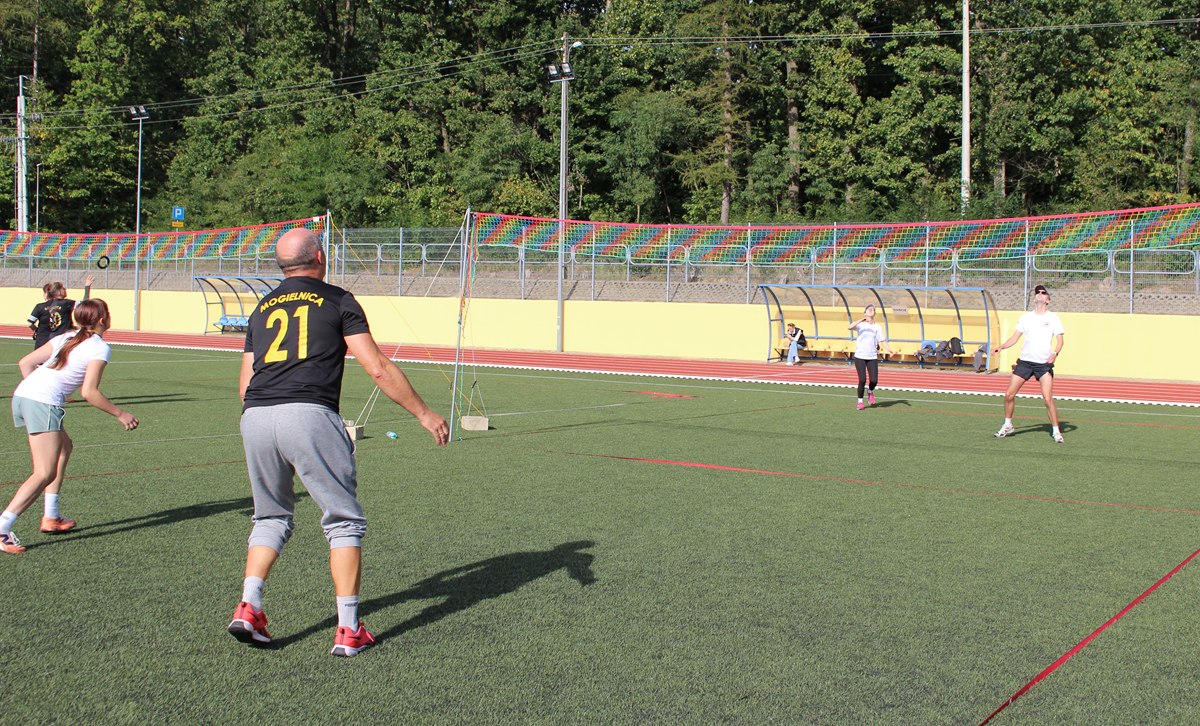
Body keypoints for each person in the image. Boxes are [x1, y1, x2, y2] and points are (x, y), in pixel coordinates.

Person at [227, 228, 450, 657]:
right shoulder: (338, 299)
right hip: (309, 413)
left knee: (270, 516)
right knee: (343, 520)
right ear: (320, 257)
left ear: (282, 265)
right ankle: (348, 629)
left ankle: (249, 605)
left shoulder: (261, 307)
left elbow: (245, 383)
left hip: (255, 415)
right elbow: (377, 367)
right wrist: (424, 413)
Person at [1, 299, 139, 555]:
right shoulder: (99, 347)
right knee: (43, 472)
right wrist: (121, 414)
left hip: (23, 396)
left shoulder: (66, 337)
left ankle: (51, 516)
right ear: (103, 320)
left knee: (65, 448)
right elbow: (89, 392)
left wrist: (37, 390)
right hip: (41, 403)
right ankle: (3, 526)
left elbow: (25, 363)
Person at [992, 284, 1065, 443]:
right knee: (1009, 394)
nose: (1040, 294)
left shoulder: (1053, 318)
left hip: (1043, 365)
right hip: (1025, 362)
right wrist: (1001, 347)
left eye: (1043, 293)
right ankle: (1008, 425)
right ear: (1034, 298)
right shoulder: (1026, 317)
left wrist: (1055, 354)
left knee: (1047, 399)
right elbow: (1014, 338)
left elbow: (1060, 341)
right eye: (1037, 292)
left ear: (1048, 300)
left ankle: (1056, 431)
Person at [848, 304, 895, 410]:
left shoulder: (877, 327)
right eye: (868, 309)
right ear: (865, 312)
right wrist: (861, 319)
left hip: (872, 356)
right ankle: (860, 402)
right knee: (862, 380)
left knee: (874, 380)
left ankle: (870, 391)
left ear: (874, 313)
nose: (870, 310)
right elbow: (849, 327)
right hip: (860, 356)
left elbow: (882, 340)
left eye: (872, 309)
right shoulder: (860, 325)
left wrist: (889, 349)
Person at [27, 275, 94, 349]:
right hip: (63, 338)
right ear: (58, 292)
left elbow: (60, 320)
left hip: (53, 337)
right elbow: (85, 303)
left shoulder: (52, 304)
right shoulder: (66, 303)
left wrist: (71, 327)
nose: (65, 289)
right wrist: (87, 286)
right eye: (63, 288)